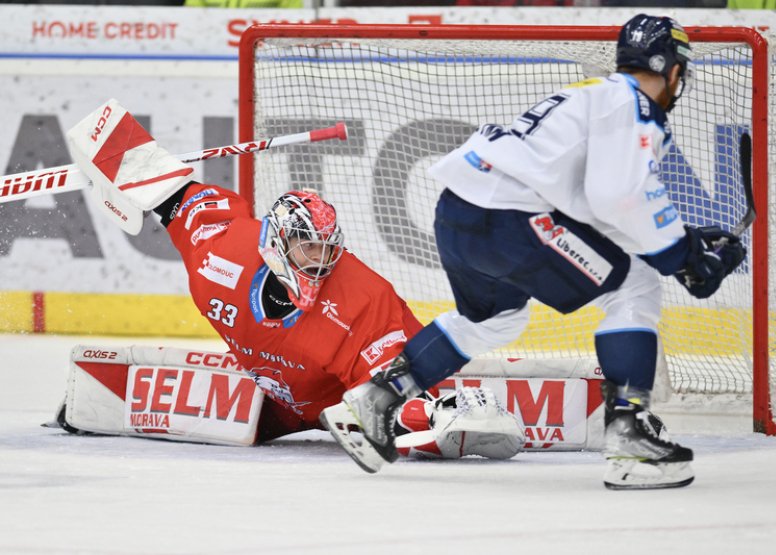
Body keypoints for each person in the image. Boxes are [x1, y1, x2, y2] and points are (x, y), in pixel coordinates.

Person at [320, 14, 747, 489]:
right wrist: (681, 257)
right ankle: (631, 440)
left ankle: (377, 398)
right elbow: (619, 197)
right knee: (635, 284)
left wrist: (682, 245)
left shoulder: (592, 94)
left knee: (496, 318)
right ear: (670, 69)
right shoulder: (634, 107)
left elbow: (594, 208)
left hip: (459, 211)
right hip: (514, 219)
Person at [56, 101, 524, 460]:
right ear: (276, 244)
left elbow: (390, 382)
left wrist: (422, 410)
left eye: (327, 248)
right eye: (308, 247)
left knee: (388, 405)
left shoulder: (361, 299)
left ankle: (451, 411)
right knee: (225, 423)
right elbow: (169, 194)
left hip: (335, 404)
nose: (320, 260)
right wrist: (112, 145)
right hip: (273, 399)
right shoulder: (222, 252)